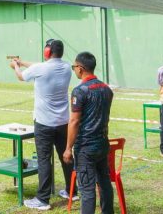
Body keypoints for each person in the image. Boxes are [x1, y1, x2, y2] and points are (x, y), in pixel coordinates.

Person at [10, 39, 76, 210]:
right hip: (63, 122)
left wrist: (15, 66)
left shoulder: (41, 68)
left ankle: (43, 199)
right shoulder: (67, 67)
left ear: (47, 52)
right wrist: (22, 62)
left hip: (44, 123)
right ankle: (72, 190)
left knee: (44, 160)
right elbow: (39, 66)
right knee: (66, 156)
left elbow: (21, 76)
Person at [62, 52, 114, 214]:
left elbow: (74, 121)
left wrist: (68, 148)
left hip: (86, 147)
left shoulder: (80, 91)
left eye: (74, 67)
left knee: (86, 189)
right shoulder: (106, 89)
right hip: (102, 144)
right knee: (104, 183)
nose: (74, 70)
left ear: (81, 68)